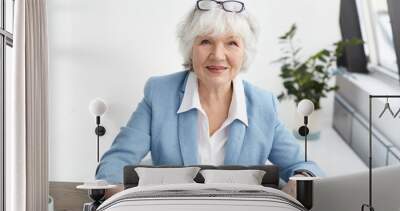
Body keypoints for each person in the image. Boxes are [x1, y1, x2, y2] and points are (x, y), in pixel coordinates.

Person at [95, 0, 324, 198]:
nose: (218, 55)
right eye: (206, 41)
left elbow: (302, 166)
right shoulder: (159, 93)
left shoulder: (263, 104)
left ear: (245, 51)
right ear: (190, 48)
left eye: (232, 43)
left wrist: (299, 182)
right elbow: (115, 162)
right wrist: (115, 196)